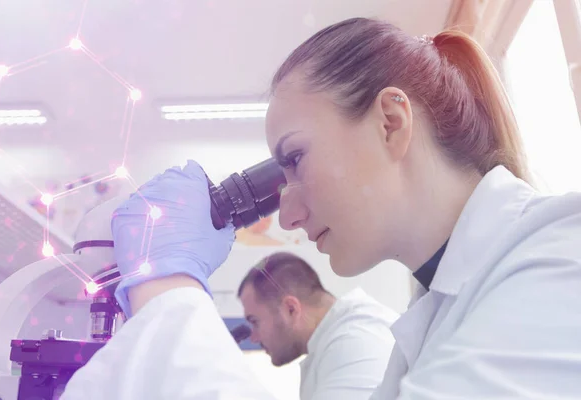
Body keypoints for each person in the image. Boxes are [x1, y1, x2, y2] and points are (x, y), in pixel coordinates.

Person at [61, 17, 581, 399]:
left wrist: (167, 290)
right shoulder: (431, 324)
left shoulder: (561, 257)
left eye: (295, 158)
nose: (286, 215)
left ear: (391, 123)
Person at [238, 252, 398, 399]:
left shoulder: (357, 340)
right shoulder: (333, 340)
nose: (253, 337)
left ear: (291, 309)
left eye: (255, 322)